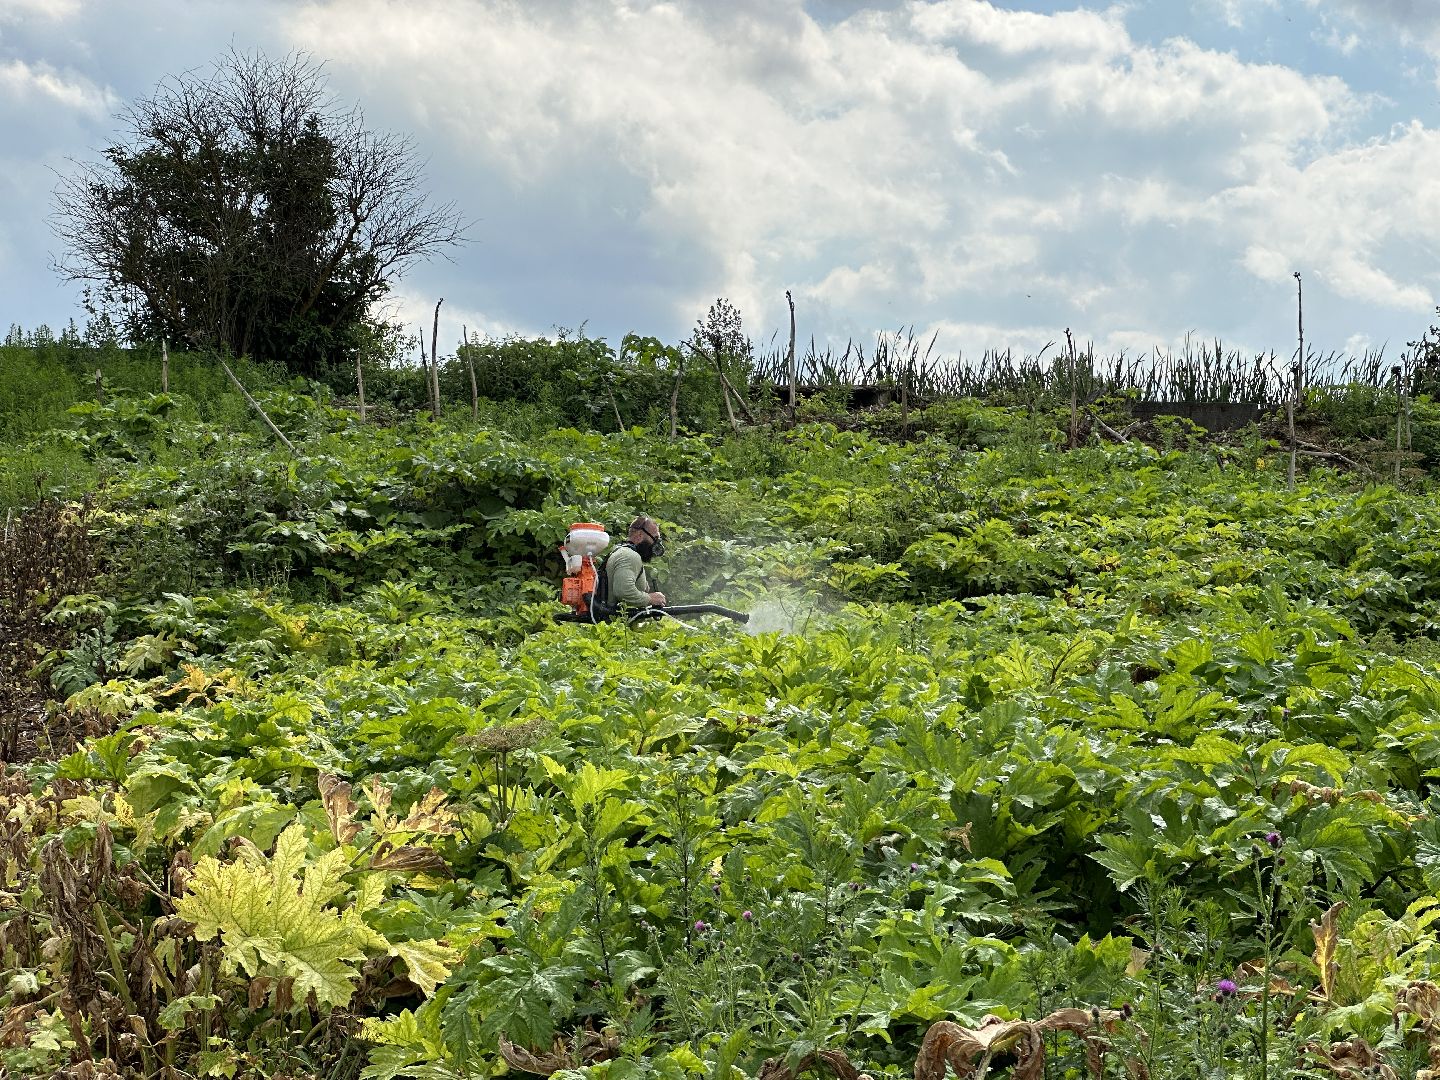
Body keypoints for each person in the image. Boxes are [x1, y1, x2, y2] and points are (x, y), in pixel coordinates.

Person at [604, 515, 667, 609]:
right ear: (640, 535)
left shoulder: (619, 551)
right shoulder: (629, 556)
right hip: (614, 622)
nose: (656, 543)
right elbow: (623, 591)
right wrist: (650, 599)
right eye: (655, 538)